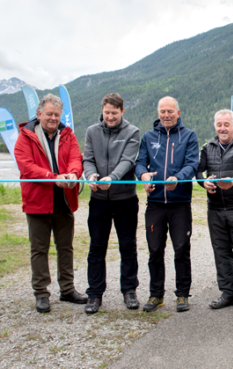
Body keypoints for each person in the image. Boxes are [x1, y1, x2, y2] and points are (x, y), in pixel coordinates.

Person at [14, 94, 87, 313]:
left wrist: (74, 174)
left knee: (65, 247)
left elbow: (76, 158)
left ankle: (67, 289)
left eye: (56, 114)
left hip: (64, 200)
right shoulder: (25, 136)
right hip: (37, 202)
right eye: (49, 114)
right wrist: (52, 176)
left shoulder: (68, 134)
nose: (53, 118)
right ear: (39, 114)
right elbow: (26, 166)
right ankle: (41, 293)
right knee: (39, 249)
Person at [135, 96, 199, 313]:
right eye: (162, 111)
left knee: (181, 249)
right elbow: (139, 162)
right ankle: (156, 295)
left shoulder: (189, 135)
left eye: (170, 111)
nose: (166, 115)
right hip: (155, 203)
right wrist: (143, 175)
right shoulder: (148, 136)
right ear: (158, 112)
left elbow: (192, 164)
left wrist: (178, 179)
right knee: (154, 250)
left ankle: (182, 294)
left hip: (180, 203)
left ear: (178, 113)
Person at [82, 93, 141, 314]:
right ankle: (95, 294)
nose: (110, 117)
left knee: (127, 246)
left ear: (122, 111)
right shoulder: (91, 131)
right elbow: (87, 159)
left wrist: (112, 178)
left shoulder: (132, 131)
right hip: (98, 200)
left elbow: (128, 160)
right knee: (96, 247)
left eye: (114, 113)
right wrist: (90, 176)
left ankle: (129, 290)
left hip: (124, 199)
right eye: (107, 112)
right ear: (103, 110)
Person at [197, 109, 233, 319]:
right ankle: (227, 293)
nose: (222, 128)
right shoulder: (207, 147)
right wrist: (202, 181)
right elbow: (199, 171)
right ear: (215, 126)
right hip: (215, 209)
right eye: (219, 124)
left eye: (226, 124)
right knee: (221, 252)